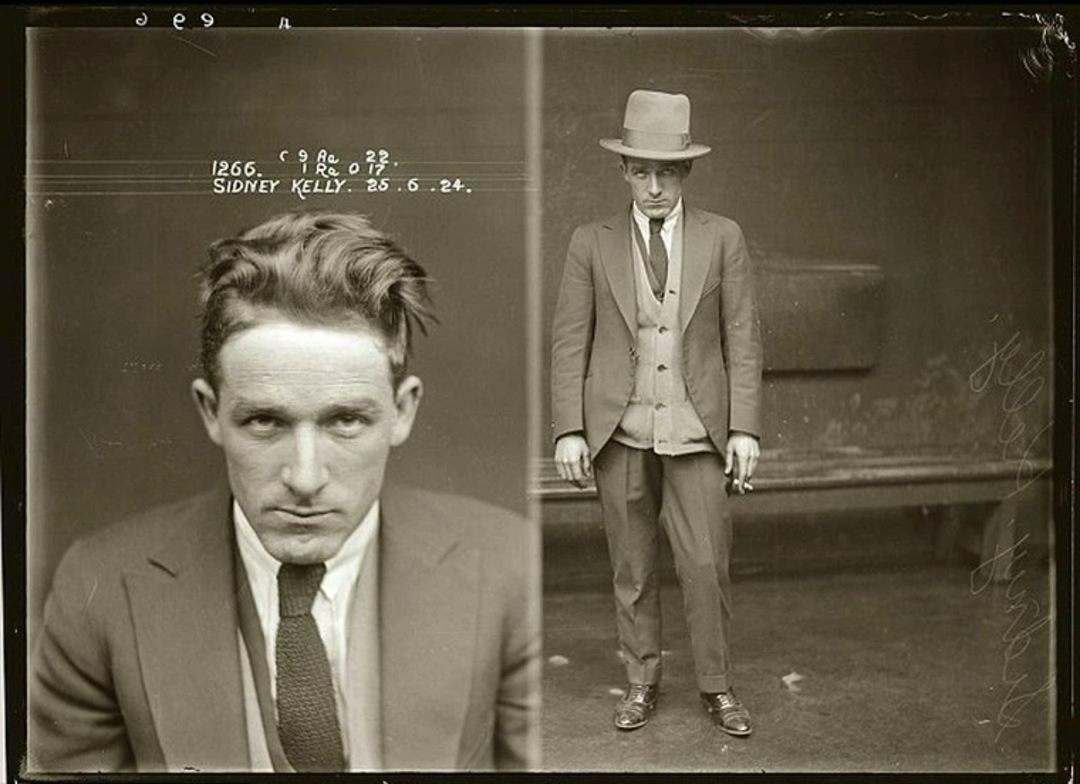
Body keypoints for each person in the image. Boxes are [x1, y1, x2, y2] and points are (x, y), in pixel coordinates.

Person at [28, 210, 539, 773]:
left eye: (345, 421)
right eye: (265, 422)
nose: (304, 476)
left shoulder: (510, 571)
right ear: (211, 411)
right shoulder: (97, 589)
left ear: (403, 410)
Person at [551, 90, 763, 737]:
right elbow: (569, 338)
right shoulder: (591, 242)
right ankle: (640, 684)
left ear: (686, 173)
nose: (653, 187)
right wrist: (567, 429)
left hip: (697, 430)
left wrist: (746, 428)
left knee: (704, 566)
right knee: (633, 569)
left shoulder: (722, 237)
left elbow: (744, 335)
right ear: (623, 172)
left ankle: (717, 688)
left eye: (665, 172)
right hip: (619, 430)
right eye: (640, 171)